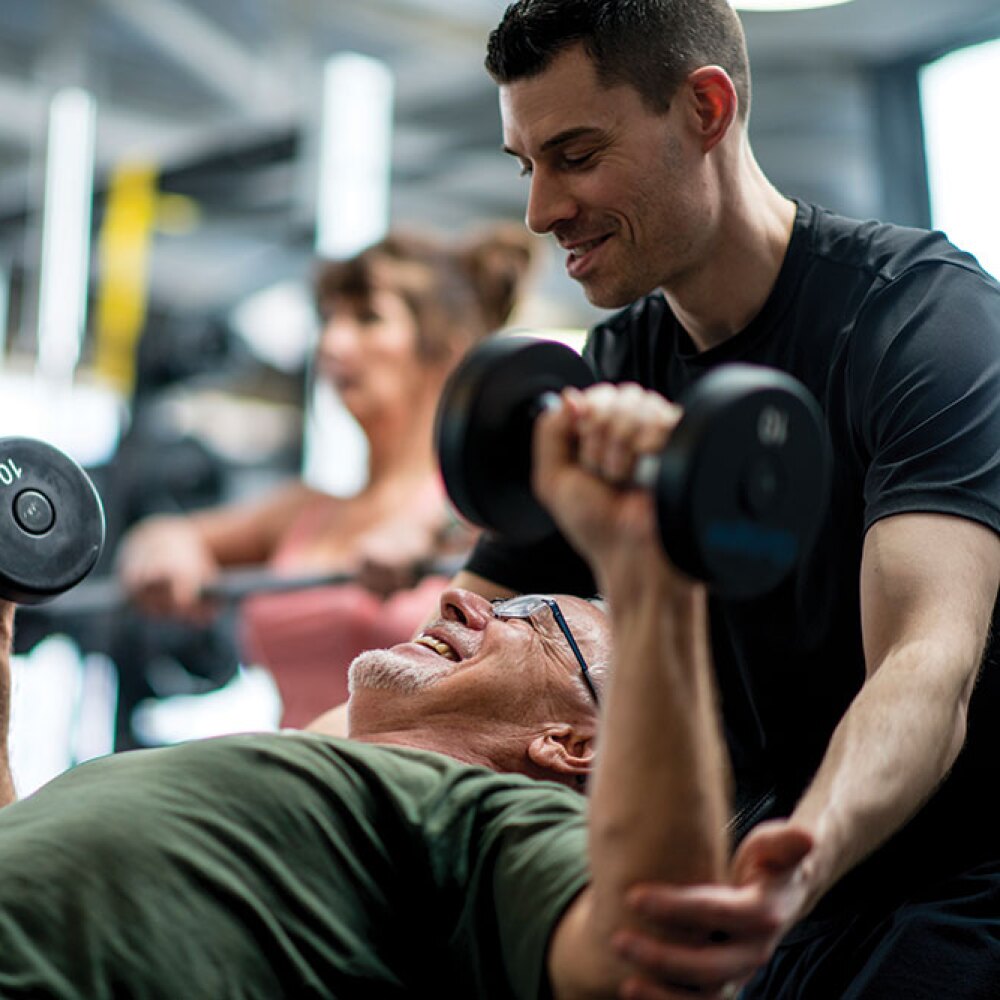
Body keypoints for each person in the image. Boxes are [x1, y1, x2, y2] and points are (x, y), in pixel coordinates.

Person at [443, 1, 1000, 996]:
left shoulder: (919, 320)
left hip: (950, 890)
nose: (539, 211)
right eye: (524, 165)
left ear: (704, 109)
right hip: (760, 892)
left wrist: (798, 859)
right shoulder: (618, 368)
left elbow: (927, 664)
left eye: (574, 154)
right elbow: (450, 637)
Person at [0, 392, 740, 999]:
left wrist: (654, 575)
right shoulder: (300, 767)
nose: (458, 606)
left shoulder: (485, 823)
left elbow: (653, 955)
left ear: (571, 743)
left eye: (528, 620)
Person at [117, 225, 537, 729]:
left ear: (447, 348)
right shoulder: (306, 511)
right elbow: (164, 533)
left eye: (367, 319)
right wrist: (165, 550)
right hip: (292, 787)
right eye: (329, 319)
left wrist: (434, 532)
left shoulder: (479, 507)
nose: (332, 343)